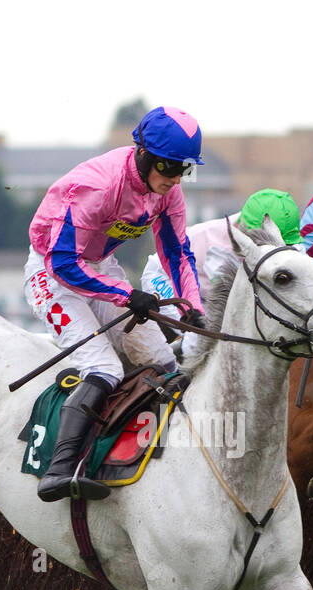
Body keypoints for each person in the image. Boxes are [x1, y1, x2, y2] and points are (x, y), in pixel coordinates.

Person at [24, 106, 208, 502]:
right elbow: (62, 263)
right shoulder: (99, 186)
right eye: (168, 167)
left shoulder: (167, 193)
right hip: (52, 271)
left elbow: (177, 253)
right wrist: (126, 295)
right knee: (103, 366)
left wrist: (193, 306)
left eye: (184, 170)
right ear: (142, 153)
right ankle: (60, 471)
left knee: (161, 361)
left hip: (97, 267)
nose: (175, 179)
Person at [140, 187, 302, 362]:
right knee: (203, 333)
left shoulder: (275, 231)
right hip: (166, 278)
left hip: (205, 290)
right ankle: (182, 371)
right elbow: (229, 302)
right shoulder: (218, 248)